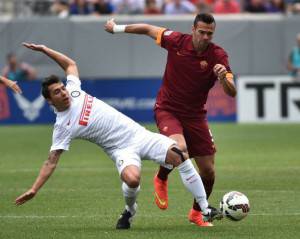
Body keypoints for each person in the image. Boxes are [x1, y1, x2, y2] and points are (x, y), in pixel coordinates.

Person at [15, 42, 222, 229]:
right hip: (120, 150)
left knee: (180, 153)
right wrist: (34, 189)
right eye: (57, 92)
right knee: (132, 180)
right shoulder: (62, 126)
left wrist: (44, 50)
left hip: (139, 135)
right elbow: (51, 162)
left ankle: (204, 208)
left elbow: (70, 64)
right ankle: (130, 211)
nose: (64, 92)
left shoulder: (75, 90)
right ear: (50, 101)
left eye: (62, 88)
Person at [104, 13, 236, 227]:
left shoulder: (218, 55)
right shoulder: (176, 41)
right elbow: (147, 28)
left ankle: (196, 214)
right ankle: (162, 176)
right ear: (193, 29)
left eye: (209, 34)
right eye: (201, 32)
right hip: (168, 109)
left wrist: (223, 78)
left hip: (195, 115)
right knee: (179, 148)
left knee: (208, 171)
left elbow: (232, 92)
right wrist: (117, 28)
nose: (205, 37)